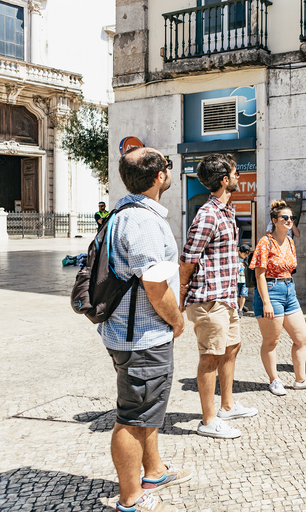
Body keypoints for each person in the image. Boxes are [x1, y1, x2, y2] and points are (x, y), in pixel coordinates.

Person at [103, 147, 190, 512]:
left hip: (127, 332)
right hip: (141, 336)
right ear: (159, 177)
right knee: (133, 417)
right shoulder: (143, 221)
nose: (169, 171)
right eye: (167, 166)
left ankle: (153, 471)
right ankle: (131, 499)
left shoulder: (123, 212)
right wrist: (177, 319)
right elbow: (155, 287)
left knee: (147, 408)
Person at [180, 153, 257, 440]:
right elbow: (188, 258)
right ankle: (208, 420)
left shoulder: (226, 211)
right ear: (225, 180)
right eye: (235, 174)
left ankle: (227, 405)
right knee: (210, 357)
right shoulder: (208, 214)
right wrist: (183, 295)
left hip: (226, 295)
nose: (238, 177)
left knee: (231, 347)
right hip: (209, 298)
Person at [251, 199, 306, 396]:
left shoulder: (290, 241)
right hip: (271, 290)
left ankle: (300, 379)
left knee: (302, 337)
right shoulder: (265, 242)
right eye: (285, 217)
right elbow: (259, 274)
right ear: (275, 220)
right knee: (271, 341)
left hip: (289, 290)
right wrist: (266, 301)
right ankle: (274, 380)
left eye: (291, 218)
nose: (289, 220)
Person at [237, 244, 252, 317]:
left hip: (244, 280)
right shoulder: (235, 259)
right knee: (238, 295)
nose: (246, 255)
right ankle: (241, 306)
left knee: (243, 295)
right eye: (244, 254)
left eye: (247, 254)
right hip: (237, 280)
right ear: (239, 252)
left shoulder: (247, 259)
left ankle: (240, 310)